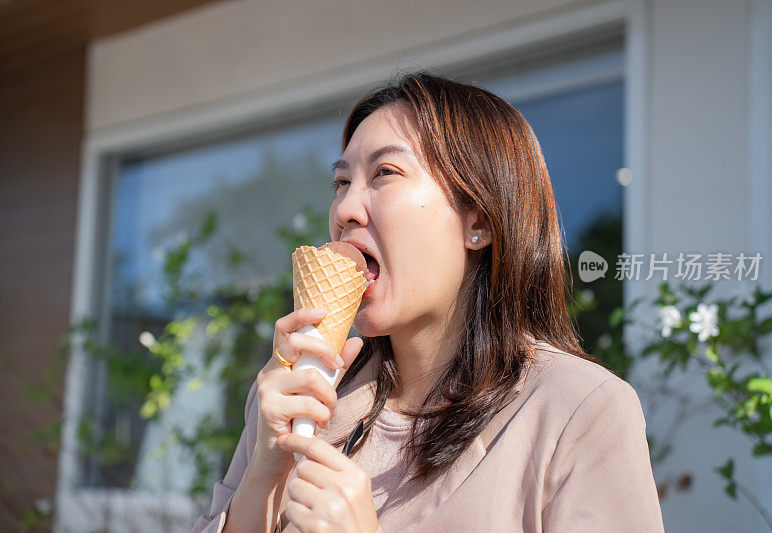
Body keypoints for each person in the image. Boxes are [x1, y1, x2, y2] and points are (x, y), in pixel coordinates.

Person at [192, 71, 665, 533]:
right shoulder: (298, 394)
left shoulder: (578, 409)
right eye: (341, 183)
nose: (344, 210)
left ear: (478, 221)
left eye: (385, 173)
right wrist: (262, 477)